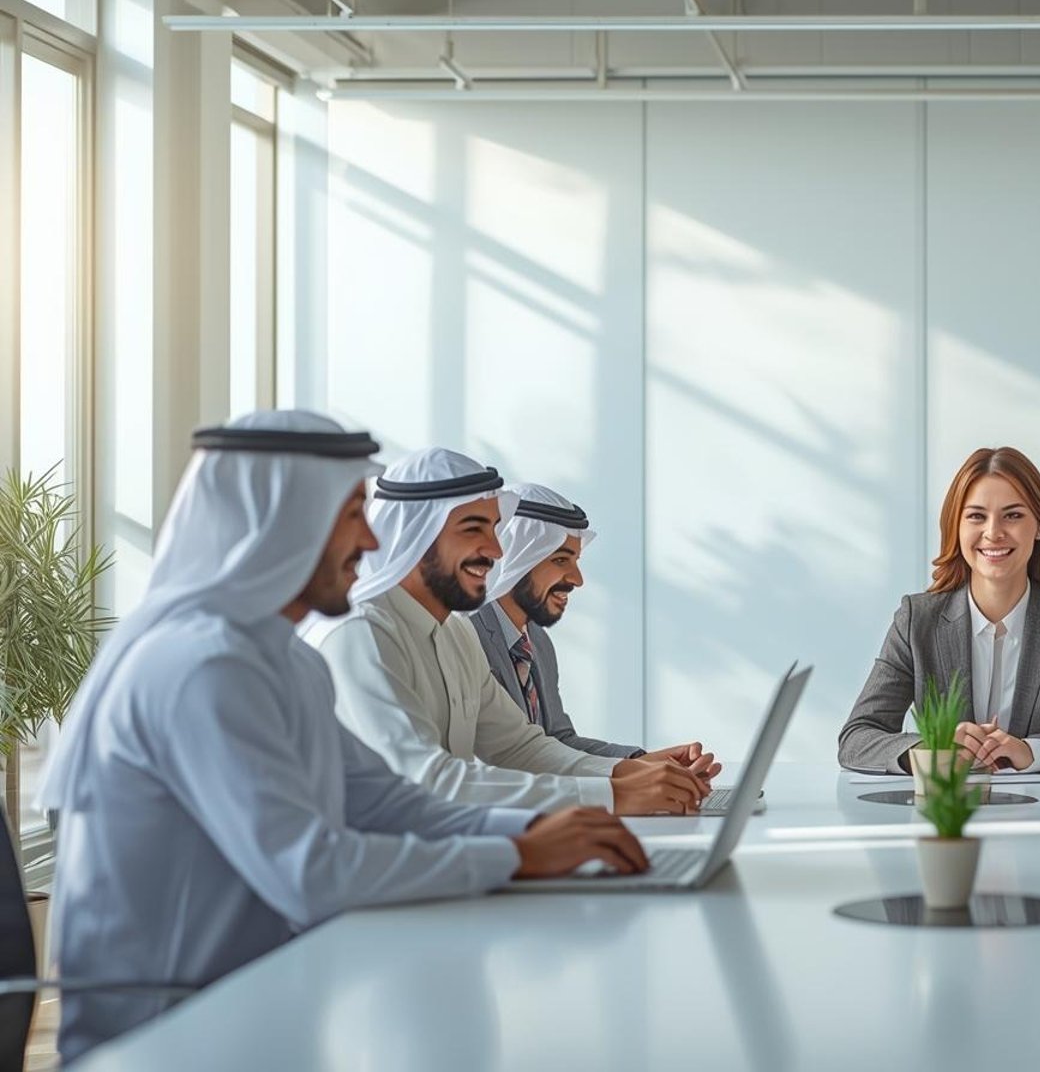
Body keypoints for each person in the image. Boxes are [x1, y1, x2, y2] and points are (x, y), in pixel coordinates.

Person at [40, 413, 649, 1061]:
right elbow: (308, 869)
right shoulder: (201, 665)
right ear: (278, 524)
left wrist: (532, 832)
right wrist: (519, 856)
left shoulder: (283, 659)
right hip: (171, 1034)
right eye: (351, 514)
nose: (370, 537)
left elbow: (388, 801)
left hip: (264, 1002)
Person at [313, 448, 706, 814]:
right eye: (473, 529)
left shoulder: (455, 634)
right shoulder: (362, 634)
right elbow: (426, 780)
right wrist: (614, 794)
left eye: (494, 529)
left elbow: (520, 747)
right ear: (416, 533)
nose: (496, 551)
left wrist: (632, 773)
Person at [838, 446, 1040, 773]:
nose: (993, 532)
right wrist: (932, 752)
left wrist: (1035, 752)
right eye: (976, 516)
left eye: (1013, 515)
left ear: (1039, 527)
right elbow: (856, 740)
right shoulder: (916, 620)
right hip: (946, 815)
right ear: (956, 528)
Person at [470, 482, 718, 776]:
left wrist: (646, 762)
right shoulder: (467, 640)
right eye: (561, 560)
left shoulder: (537, 642)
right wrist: (629, 780)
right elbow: (506, 764)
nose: (577, 579)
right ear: (515, 558)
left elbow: (558, 742)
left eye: (576, 561)